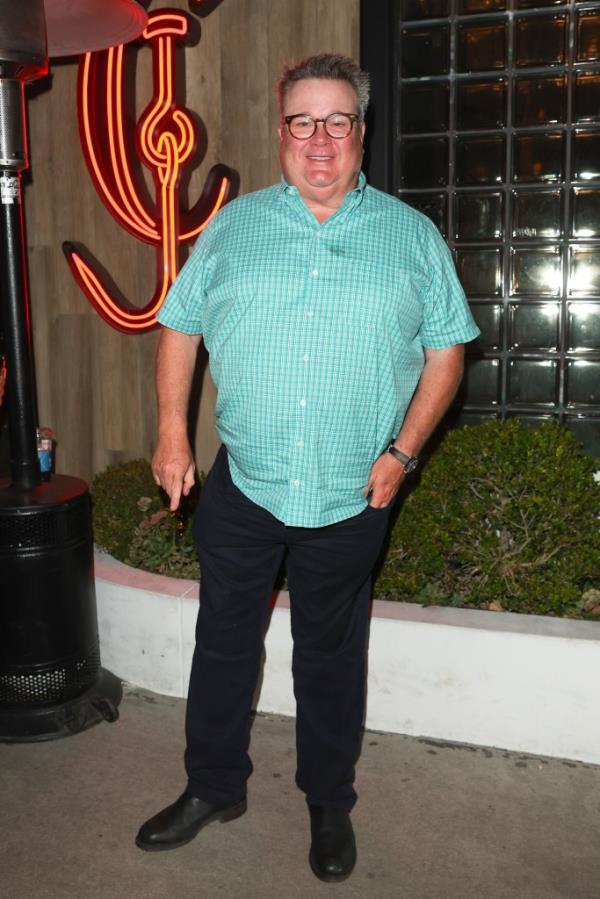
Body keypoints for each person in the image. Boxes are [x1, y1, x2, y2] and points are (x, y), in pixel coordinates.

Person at [136, 53, 479, 881]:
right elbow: (180, 325)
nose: (318, 140)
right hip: (244, 484)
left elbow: (447, 352)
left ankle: (330, 805)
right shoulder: (234, 226)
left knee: (329, 657)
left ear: (361, 134)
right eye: (302, 122)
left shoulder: (411, 236)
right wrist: (172, 437)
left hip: (352, 493)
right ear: (281, 131)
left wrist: (402, 454)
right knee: (223, 645)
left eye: (336, 122)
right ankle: (214, 786)